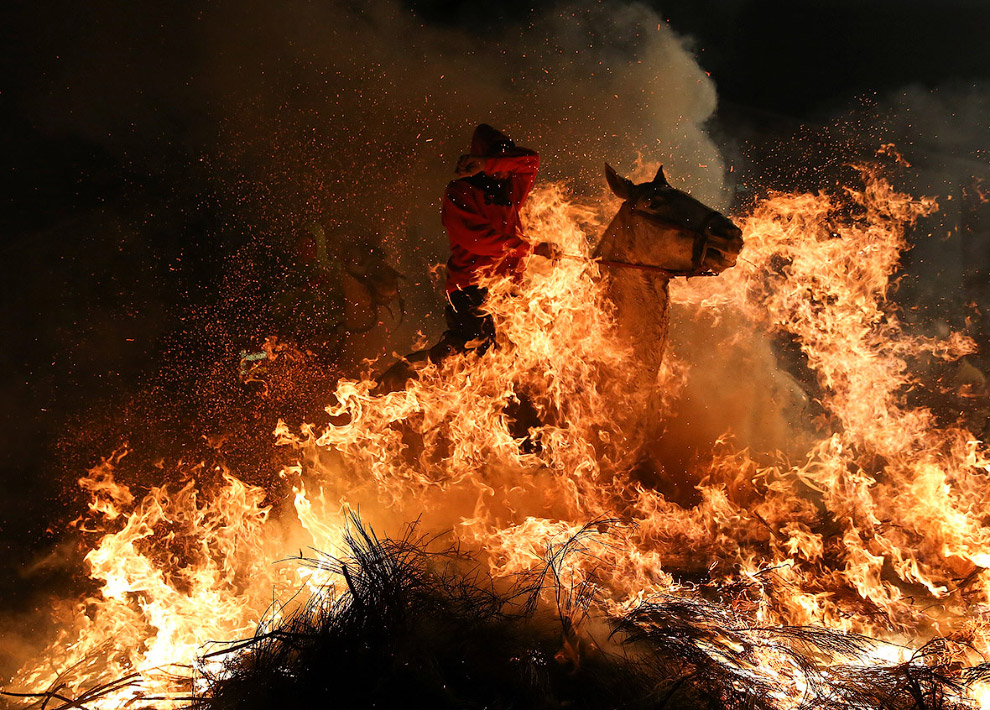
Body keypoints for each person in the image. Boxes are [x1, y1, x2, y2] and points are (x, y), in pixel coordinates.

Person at [430, 123, 560, 361]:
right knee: (489, 354)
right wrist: (532, 248)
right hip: (471, 288)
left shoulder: (509, 192)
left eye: (506, 161)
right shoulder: (459, 192)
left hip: (508, 289)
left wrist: (489, 163)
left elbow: (531, 160)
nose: (504, 171)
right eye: (495, 161)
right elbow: (480, 240)